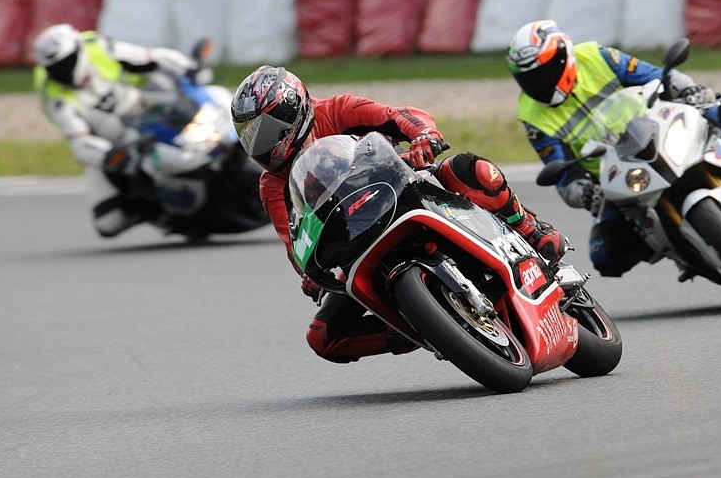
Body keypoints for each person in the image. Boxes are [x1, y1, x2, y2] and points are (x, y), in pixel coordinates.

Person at [230, 65, 568, 364]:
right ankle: (423, 326)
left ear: (292, 108)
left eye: (265, 131)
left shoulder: (336, 110)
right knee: (324, 337)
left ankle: (531, 229)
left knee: (469, 168)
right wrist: (309, 272)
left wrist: (424, 136)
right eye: (249, 135)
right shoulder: (272, 184)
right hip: (355, 237)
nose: (259, 144)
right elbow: (293, 241)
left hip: (405, 187)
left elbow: (401, 115)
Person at [506, 19, 721, 278]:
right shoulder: (531, 114)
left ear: (563, 57)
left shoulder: (596, 56)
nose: (537, 83)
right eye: (528, 78)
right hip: (614, 172)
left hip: (654, 130)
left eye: (543, 72)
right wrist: (585, 193)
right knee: (605, 255)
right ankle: (676, 247)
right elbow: (561, 173)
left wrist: (690, 91)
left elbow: (658, 76)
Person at [33, 24, 201, 237]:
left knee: (191, 105)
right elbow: (80, 143)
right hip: (115, 144)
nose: (62, 71)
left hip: (143, 109)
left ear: (78, 49)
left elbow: (151, 56)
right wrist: (111, 155)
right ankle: (155, 209)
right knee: (108, 223)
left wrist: (189, 68)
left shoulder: (97, 47)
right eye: (55, 68)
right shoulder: (53, 96)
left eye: (66, 62)